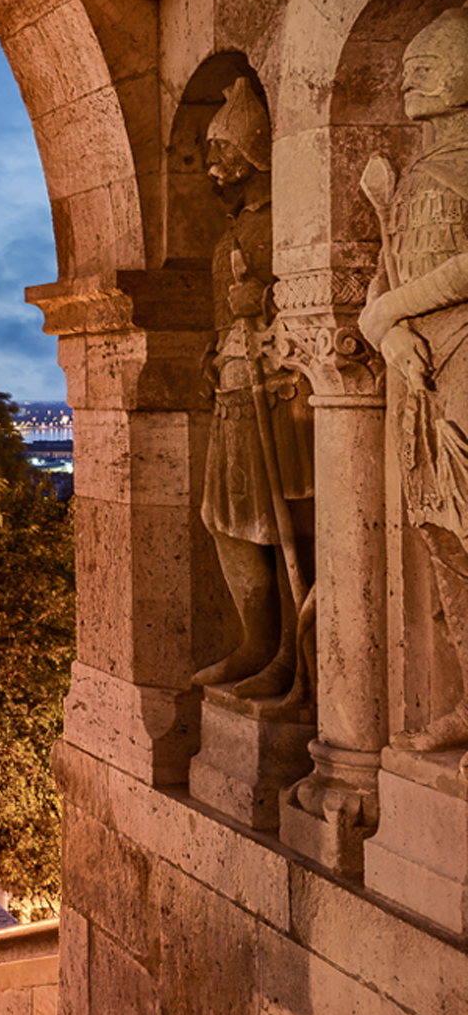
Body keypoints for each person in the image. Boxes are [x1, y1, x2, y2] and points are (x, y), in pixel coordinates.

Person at [360, 6, 468, 751]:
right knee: (441, 538)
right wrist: (388, 331)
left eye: (427, 67)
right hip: (415, 374)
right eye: (407, 68)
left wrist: (392, 311)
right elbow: (383, 275)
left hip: (462, 360)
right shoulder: (405, 182)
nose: (409, 78)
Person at [192, 78, 314, 706]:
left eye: (222, 152)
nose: (212, 167)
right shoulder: (230, 231)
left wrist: (265, 297)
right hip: (235, 391)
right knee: (227, 522)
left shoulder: (289, 217)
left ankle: (295, 654)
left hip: (283, 391)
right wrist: (212, 354)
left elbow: (322, 291)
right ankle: (255, 642)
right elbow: (223, 316)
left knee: (291, 526)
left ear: (253, 153)